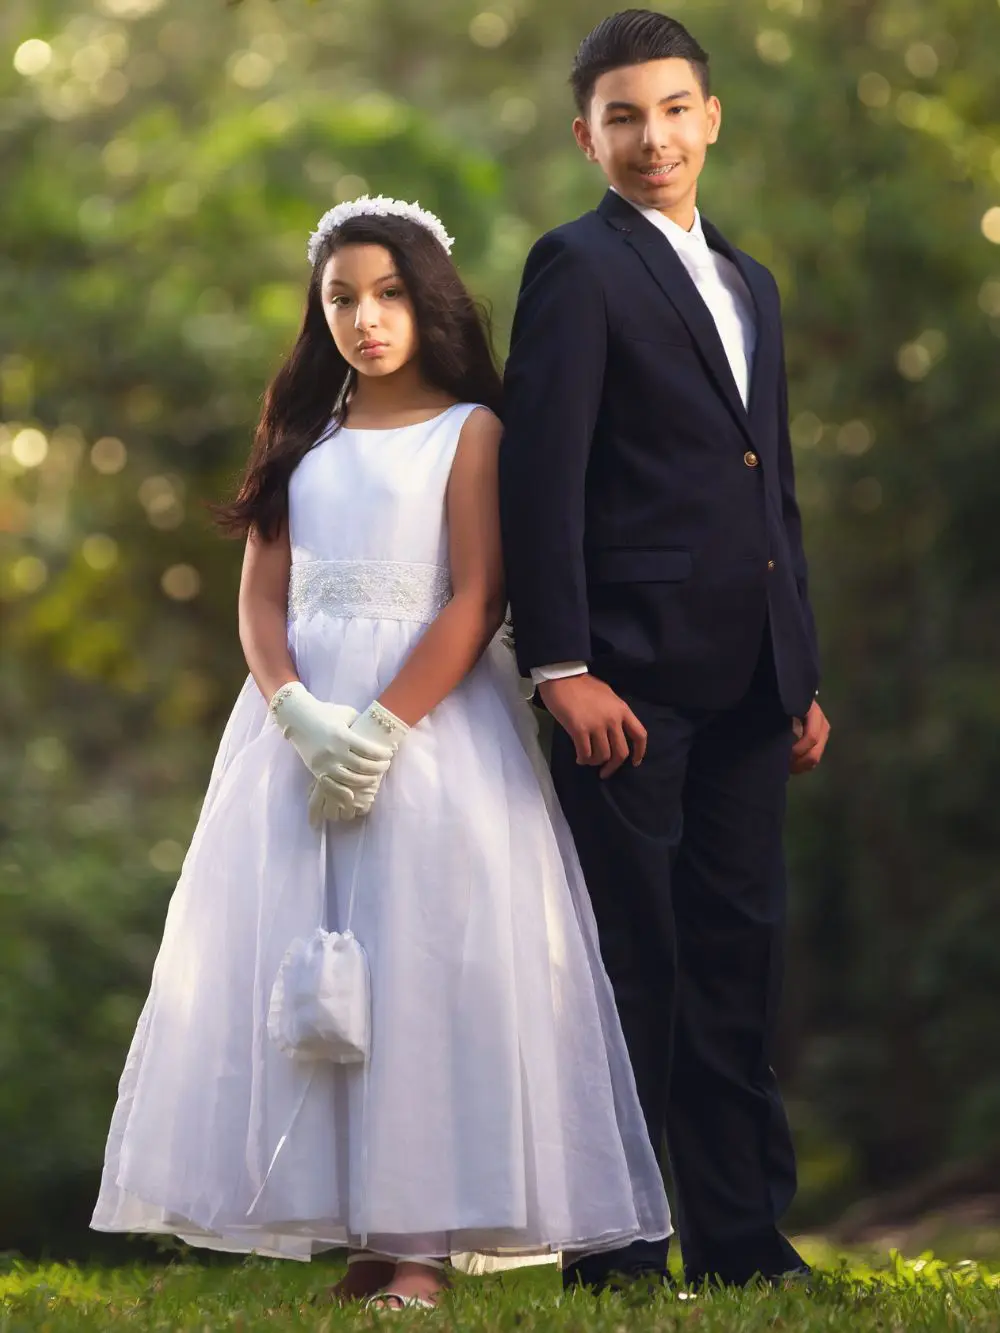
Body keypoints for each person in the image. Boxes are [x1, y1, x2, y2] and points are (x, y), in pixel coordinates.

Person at [91, 195, 669, 1309]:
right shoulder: (299, 437)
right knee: (314, 966)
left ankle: (419, 1243)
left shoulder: (471, 431)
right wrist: (296, 712)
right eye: (343, 297)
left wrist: (387, 724)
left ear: (430, 298)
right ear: (320, 313)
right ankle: (359, 1234)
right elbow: (261, 598)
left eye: (390, 293)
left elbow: (476, 594)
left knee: (424, 966)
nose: (367, 316)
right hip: (298, 734)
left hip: (433, 731)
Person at [500, 11, 831, 1292]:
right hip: (621, 685)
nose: (653, 139)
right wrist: (561, 662)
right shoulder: (575, 268)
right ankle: (620, 1250)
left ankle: (742, 1242)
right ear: (586, 134)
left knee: (736, 964)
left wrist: (798, 670)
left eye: (674, 109)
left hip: (752, 683)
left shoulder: (750, 282)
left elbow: (773, 491)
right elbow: (542, 480)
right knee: (631, 963)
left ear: (711, 117)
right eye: (623, 116)